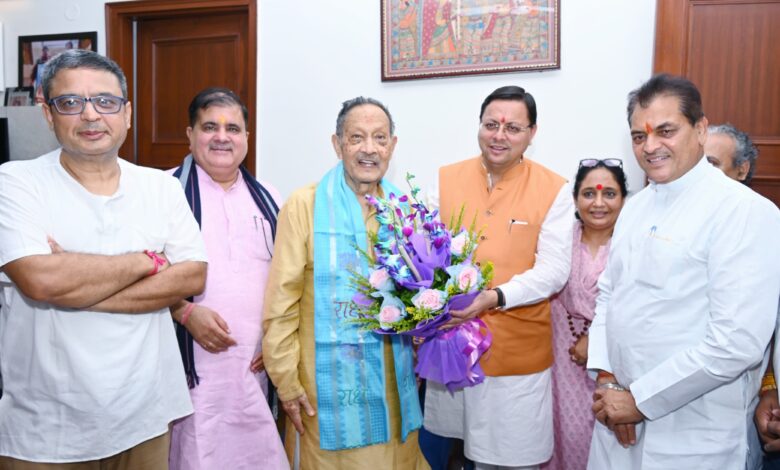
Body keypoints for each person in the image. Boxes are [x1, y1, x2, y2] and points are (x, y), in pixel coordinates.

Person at [0, 49, 207, 467]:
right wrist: (148, 261)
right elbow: (41, 281)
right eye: (70, 102)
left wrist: (75, 284)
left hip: (145, 416)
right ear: (48, 114)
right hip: (45, 428)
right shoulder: (15, 183)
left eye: (106, 102)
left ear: (127, 114)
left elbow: (192, 278)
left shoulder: (160, 187)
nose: (91, 115)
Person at [587, 73, 780, 469]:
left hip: (693, 432)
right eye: (639, 136)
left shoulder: (744, 211)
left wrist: (642, 400)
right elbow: (609, 295)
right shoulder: (635, 207)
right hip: (618, 419)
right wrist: (608, 378)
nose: (650, 146)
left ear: (701, 129)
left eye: (666, 131)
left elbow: (736, 343)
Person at [262, 97, 426, 470]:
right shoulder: (305, 205)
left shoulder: (403, 209)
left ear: (392, 146)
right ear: (337, 145)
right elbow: (281, 302)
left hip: (394, 385)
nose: (369, 148)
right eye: (356, 137)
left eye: (379, 138)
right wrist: (286, 382)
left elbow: (417, 294)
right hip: (324, 392)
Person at [425, 85, 574, 470]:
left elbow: (554, 270)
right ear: (479, 125)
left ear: (532, 133)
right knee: (455, 450)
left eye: (512, 128)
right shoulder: (444, 180)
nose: (499, 136)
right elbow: (422, 253)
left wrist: (497, 297)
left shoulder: (555, 189)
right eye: (491, 125)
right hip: (453, 347)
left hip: (515, 354)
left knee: (511, 461)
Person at [167, 88, 288, 470]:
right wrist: (184, 312)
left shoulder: (269, 197)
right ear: (190, 135)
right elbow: (137, 272)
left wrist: (276, 339)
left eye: (232, 128)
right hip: (191, 370)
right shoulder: (164, 191)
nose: (222, 137)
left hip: (253, 369)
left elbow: (288, 280)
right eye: (210, 127)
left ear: (247, 138)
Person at [542, 159, 628, 470]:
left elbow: (641, 305)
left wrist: (597, 339)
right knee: (557, 434)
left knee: (604, 439)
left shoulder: (633, 242)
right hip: (557, 357)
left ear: (624, 199)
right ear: (575, 199)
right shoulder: (558, 238)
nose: (599, 203)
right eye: (589, 193)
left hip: (614, 362)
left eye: (609, 194)